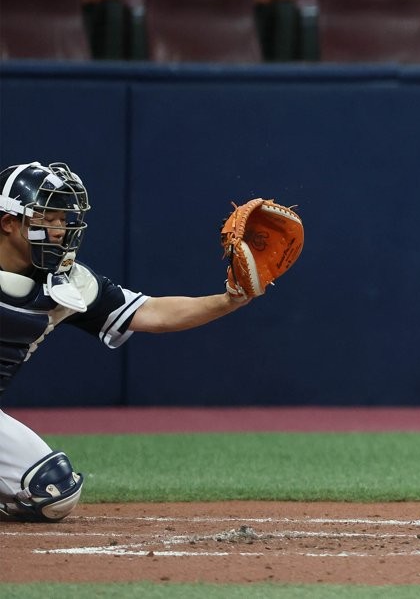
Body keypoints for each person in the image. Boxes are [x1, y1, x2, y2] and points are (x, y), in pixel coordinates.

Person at [0, 161, 254, 522]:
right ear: (8, 222)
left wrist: (231, 299)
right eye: (47, 218)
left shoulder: (67, 283)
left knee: (54, 491)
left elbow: (153, 313)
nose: (59, 230)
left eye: (62, 219)